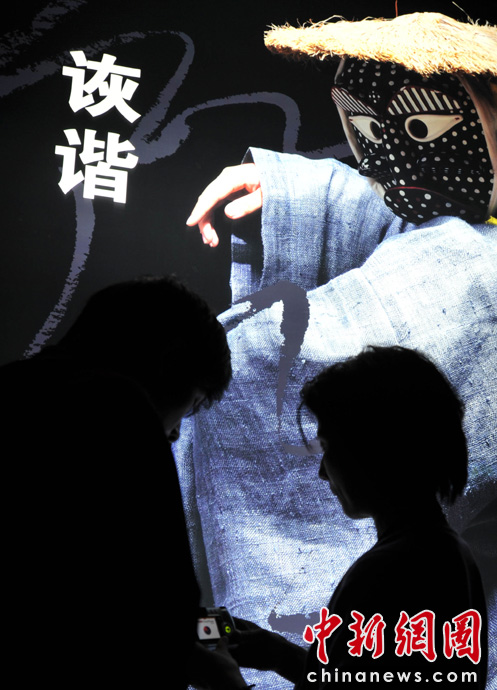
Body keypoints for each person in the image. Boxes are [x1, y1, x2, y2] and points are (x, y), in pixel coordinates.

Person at [178, 11, 497, 689]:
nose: (321, 471)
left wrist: (240, 350)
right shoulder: (433, 558)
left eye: (332, 450)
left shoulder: (393, 571)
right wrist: (303, 195)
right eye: (368, 132)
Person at [2, 275, 236, 688]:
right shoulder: (116, 407)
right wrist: (223, 673)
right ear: (169, 364)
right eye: (193, 404)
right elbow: (166, 620)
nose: (175, 433)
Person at [228, 346, 488, 688]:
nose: (322, 472)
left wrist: (222, 678)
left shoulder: (385, 572)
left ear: (373, 448)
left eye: (328, 448)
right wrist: (280, 656)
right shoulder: (448, 554)